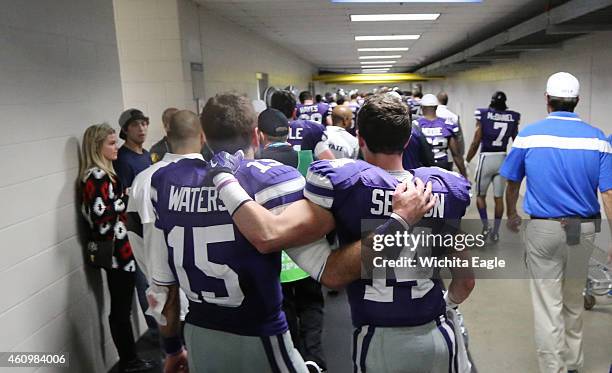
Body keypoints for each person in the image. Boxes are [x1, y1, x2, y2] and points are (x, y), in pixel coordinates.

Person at [151, 93, 432, 373]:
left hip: (199, 334)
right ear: (256, 135)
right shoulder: (270, 178)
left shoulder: (165, 181)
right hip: (259, 334)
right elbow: (329, 271)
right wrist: (397, 221)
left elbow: (164, 290)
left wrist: (173, 347)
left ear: (203, 136)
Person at [212, 94, 475, 373]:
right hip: (440, 334)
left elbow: (273, 236)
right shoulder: (437, 188)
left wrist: (223, 177)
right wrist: (449, 306)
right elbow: (466, 280)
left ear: (360, 139)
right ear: (407, 140)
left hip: (381, 337)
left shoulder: (347, 185)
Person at [500, 72, 612, 373]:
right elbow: (608, 193)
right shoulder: (598, 138)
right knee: (573, 300)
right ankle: (574, 364)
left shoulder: (530, 135)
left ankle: (554, 369)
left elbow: (511, 181)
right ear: (577, 101)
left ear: (547, 100)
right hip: (583, 229)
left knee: (548, 305)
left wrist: (512, 212)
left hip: (544, 228)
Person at [256, 107, 327, 371]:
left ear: (258, 135)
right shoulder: (308, 159)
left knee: (284, 310)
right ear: (288, 131)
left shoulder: (252, 167)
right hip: (310, 251)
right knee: (311, 306)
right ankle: (315, 361)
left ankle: (293, 360)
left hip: (276, 255)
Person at [80, 123, 155, 373]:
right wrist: (125, 200)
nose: (116, 148)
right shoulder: (96, 176)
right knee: (121, 309)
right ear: (96, 147)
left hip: (123, 251)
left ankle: (130, 358)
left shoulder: (105, 174)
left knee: (122, 306)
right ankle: (129, 360)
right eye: (111, 144)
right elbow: (100, 218)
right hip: (116, 254)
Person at [113, 108, 159, 340]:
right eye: (135, 125)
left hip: (153, 225)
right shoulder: (123, 160)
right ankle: (155, 331)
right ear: (125, 130)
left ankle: (162, 327)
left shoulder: (145, 154)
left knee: (156, 279)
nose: (141, 129)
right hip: (137, 229)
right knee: (145, 283)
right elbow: (123, 197)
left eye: (144, 123)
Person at [466, 91, 521, 242]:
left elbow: (476, 141)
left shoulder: (483, 114)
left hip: (486, 158)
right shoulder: (513, 117)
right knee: (499, 198)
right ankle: (496, 231)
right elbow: (517, 141)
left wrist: (467, 159)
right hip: (503, 158)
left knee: (480, 196)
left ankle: (485, 226)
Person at [270, 90, 335, 160]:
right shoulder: (315, 128)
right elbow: (330, 161)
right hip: (306, 169)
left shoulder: (265, 131)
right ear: (294, 111)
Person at [418, 94, 467, 177]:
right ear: (437, 107)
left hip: (423, 169)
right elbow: (456, 154)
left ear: (422, 108)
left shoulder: (416, 125)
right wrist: (464, 175)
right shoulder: (447, 124)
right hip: (443, 167)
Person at [436, 92, 465, 156]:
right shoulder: (454, 117)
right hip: (449, 154)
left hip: (432, 154)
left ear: (436, 100)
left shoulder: (432, 115)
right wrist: (461, 153)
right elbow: (459, 138)